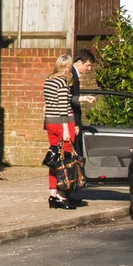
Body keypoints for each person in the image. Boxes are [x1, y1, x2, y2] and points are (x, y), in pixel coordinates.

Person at [42, 53, 79, 209]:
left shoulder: (48, 80)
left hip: (50, 122)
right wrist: (65, 129)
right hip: (63, 124)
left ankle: (53, 195)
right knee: (66, 162)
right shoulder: (63, 82)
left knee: (54, 159)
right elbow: (63, 107)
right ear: (68, 66)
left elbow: (49, 103)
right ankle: (63, 196)